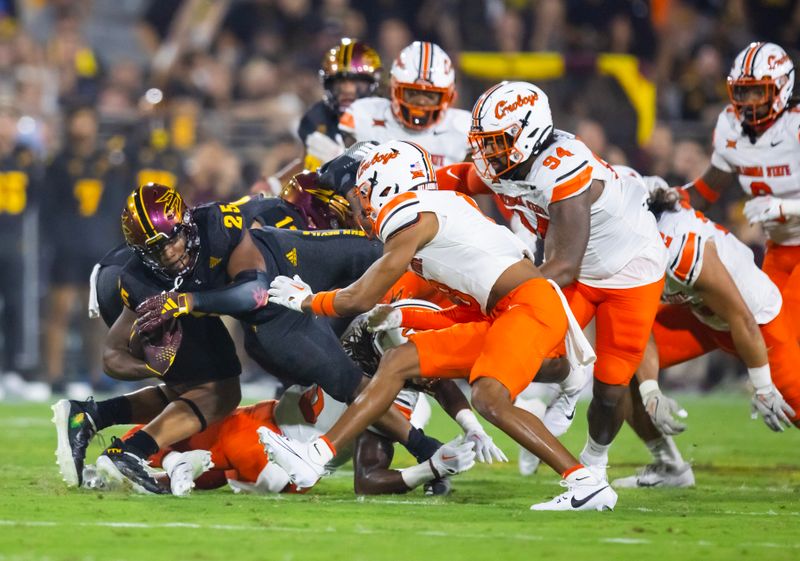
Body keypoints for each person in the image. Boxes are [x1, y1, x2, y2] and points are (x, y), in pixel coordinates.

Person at [260, 140, 614, 512]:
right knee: (398, 361)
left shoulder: (410, 212)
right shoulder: (440, 211)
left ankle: (584, 481)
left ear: (387, 185)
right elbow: (461, 314)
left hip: (527, 305)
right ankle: (316, 455)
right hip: (503, 311)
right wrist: (403, 317)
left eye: (363, 193)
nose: (361, 206)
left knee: (489, 396)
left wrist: (308, 300)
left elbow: (361, 297)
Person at [442, 81, 668, 482]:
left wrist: (496, 287)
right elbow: (461, 179)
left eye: (496, 142)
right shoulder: (511, 162)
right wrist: (414, 184)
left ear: (528, 132)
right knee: (524, 343)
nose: (486, 153)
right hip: (577, 271)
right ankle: (567, 381)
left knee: (611, 386)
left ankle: (595, 463)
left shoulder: (562, 166)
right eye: (485, 142)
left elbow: (564, 266)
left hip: (628, 270)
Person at [610, 170, 796, 488]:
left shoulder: (683, 247)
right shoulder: (627, 243)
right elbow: (634, 324)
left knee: (794, 406)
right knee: (618, 365)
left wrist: (763, 386)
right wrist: (651, 391)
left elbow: (741, 318)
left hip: (757, 323)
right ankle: (671, 468)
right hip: (701, 318)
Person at [684, 42, 800, 339]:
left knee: (784, 329)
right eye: (742, 91)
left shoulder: (795, 126)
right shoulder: (731, 127)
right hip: (780, 246)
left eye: (757, 91)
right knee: (769, 331)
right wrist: (667, 198)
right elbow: (707, 190)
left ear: (782, 86)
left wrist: (784, 207)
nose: (748, 101)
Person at [338, 41, 470, 168]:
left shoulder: (466, 129)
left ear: (449, 97)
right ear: (392, 90)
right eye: (412, 93)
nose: (421, 101)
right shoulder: (363, 114)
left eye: (430, 96)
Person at [299, 38, 383, 173]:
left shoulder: (386, 115)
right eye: (340, 83)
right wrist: (275, 182)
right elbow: (303, 165)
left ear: (373, 84)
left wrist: (341, 160)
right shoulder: (317, 116)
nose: (347, 91)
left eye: (357, 83)